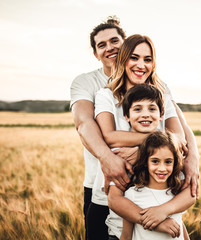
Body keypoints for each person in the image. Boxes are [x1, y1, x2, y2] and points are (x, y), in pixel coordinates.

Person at [93, 36, 195, 238]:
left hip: (168, 218)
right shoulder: (106, 96)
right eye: (134, 57)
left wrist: (144, 151)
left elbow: (179, 138)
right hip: (123, 215)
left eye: (148, 59)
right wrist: (160, 142)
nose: (141, 65)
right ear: (123, 59)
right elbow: (109, 137)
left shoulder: (162, 95)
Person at [70, 16, 130, 239]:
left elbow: (176, 120)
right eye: (101, 45)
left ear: (126, 42)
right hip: (99, 186)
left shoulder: (149, 77)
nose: (109, 48)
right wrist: (109, 159)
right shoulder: (86, 83)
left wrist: (194, 159)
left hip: (147, 184)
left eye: (114, 41)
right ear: (96, 54)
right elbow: (84, 123)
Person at [120, 131, 193, 240]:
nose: (162, 168)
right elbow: (126, 236)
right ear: (146, 162)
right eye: (155, 161)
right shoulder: (133, 195)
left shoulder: (177, 193)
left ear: (175, 162)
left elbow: (180, 226)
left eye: (168, 162)